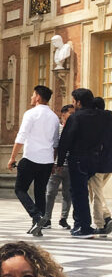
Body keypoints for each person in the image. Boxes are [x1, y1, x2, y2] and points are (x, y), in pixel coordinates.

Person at [56, 87, 112, 238]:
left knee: (79, 193)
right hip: (96, 159)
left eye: (74, 101)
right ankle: (81, 224)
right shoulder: (104, 116)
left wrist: (59, 162)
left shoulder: (76, 117)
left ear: (79, 102)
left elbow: (65, 140)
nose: (73, 104)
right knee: (85, 192)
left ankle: (84, 227)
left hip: (78, 159)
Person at [8, 85, 60, 237]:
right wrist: (53, 161)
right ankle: (38, 225)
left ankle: (36, 217)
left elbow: (21, 136)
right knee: (40, 191)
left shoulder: (30, 114)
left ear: (38, 97)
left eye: (32, 95)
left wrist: (12, 157)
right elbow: (56, 143)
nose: (31, 98)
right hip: (47, 160)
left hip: (31, 158)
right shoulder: (54, 117)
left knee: (20, 189)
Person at [40, 103, 75, 230]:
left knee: (68, 194)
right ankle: (47, 218)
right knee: (50, 193)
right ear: (63, 114)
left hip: (70, 166)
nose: (73, 115)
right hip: (55, 166)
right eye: (71, 113)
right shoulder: (57, 129)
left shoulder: (74, 129)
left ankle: (63, 219)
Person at [88, 97, 111, 233]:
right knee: (96, 192)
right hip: (110, 162)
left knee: (96, 193)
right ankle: (105, 218)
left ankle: (102, 222)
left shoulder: (94, 121)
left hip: (98, 162)